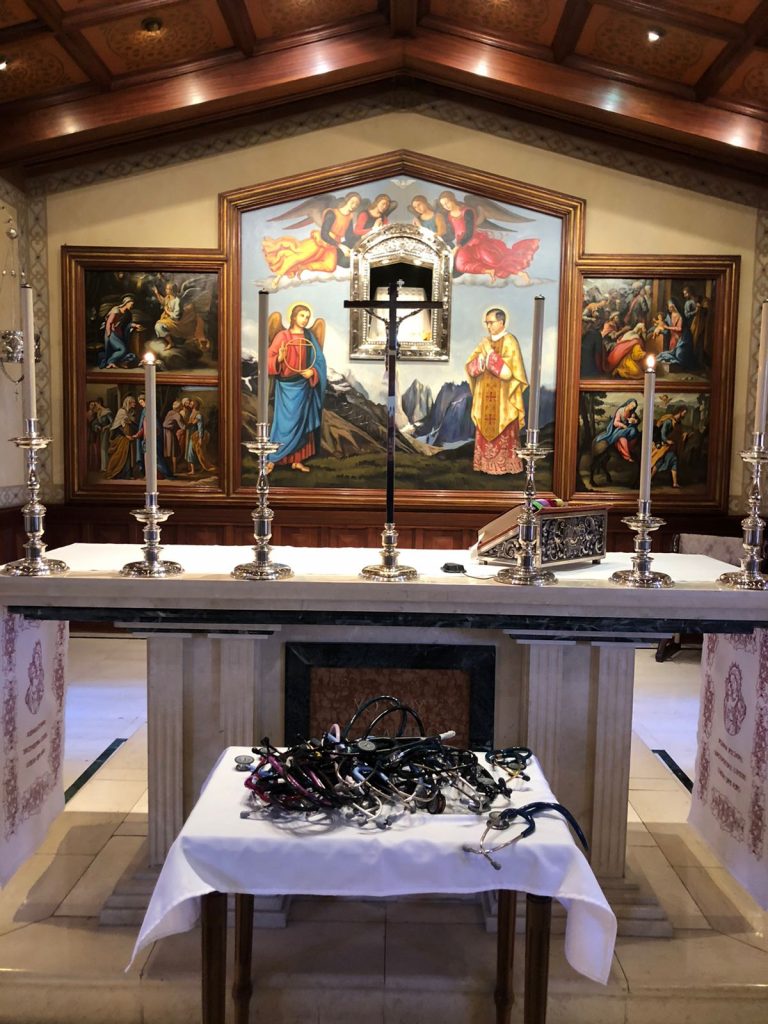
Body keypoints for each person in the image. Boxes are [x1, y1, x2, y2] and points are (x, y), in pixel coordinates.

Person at [465, 307, 528, 475]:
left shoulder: (510, 341)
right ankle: (484, 466)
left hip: (504, 402)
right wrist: (480, 361)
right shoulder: (484, 342)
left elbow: (508, 373)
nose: (488, 326)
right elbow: (470, 368)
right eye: (486, 323)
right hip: (484, 399)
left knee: (504, 430)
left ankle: (506, 467)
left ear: (501, 322)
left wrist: (490, 354)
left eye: (491, 322)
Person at [267, 303, 327, 472]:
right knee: (283, 425)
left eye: (307, 317)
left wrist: (313, 371)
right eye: (302, 316)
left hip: (304, 386)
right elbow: (268, 359)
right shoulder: (282, 336)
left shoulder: (309, 336)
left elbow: (320, 360)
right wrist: (279, 358)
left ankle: (297, 460)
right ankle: (272, 459)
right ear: (293, 317)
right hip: (286, 386)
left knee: (302, 422)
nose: (305, 320)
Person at [438, 191, 539, 283]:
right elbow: (453, 232)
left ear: (453, 199)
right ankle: (488, 271)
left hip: (474, 241)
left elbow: (469, 232)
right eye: (443, 205)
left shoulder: (467, 211)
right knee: (461, 265)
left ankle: (519, 272)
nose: (446, 206)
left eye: (447, 203)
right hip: (462, 246)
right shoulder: (449, 215)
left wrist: (457, 247)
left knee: (493, 260)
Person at [262, 193, 361, 282]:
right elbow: (324, 234)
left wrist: (362, 237)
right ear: (347, 200)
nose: (354, 206)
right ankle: (278, 277)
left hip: (332, 246)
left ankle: (303, 267)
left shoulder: (350, 217)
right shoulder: (332, 213)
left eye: (356, 205)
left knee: (330, 267)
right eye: (352, 202)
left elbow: (349, 236)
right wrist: (341, 246)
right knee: (298, 256)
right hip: (321, 242)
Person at [651, 404, 688, 488]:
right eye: (684, 413)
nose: (685, 415)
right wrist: (667, 441)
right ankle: (649, 479)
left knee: (673, 460)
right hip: (665, 446)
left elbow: (678, 435)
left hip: (672, 447)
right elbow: (663, 433)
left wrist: (684, 435)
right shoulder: (669, 421)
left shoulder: (678, 423)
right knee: (659, 461)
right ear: (680, 412)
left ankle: (675, 483)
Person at [594, 398, 640, 463]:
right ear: (628, 403)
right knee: (622, 439)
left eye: (634, 407)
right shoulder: (620, 411)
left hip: (629, 429)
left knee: (634, 431)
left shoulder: (632, 413)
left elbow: (637, 420)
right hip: (620, 429)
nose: (632, 407)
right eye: (632, 405)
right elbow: (615, 423)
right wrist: (623, 425)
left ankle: (630, 448)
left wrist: (634, 421)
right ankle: (627, 457)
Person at [98, 296, 139, 368]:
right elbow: (109, 323)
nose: (132, 306)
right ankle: (110, 361)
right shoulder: (116, 310)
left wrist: (134, 325)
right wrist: (109, 335)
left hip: (118, 334)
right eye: (131, 304)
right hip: (112, 333)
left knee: (125, 351)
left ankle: (113, 362)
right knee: (122, 350)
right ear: (126, 303)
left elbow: (126, 324)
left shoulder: (127, 313)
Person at [656, 297, 697, 371]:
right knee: (669, 353)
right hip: (674, 337)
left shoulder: (679, 316)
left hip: (683, 339)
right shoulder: (670, 315)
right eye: (669, 306)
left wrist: (667, 327)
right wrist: (660, 327)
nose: (670, 308)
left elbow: (679, 329)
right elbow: (665, 323)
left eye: (671, 306)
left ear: (674, 306)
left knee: (679, 355)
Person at [105, 395, 138, 479]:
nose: (135, 404)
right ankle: (114, 473)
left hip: (129, 437)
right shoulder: (122, 411)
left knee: (128, 456)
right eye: (133, 402)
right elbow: (117, 427)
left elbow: (133, 425)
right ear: (128, 402)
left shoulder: (131, 412)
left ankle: (127, 474)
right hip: (121, 437)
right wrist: (126, 436)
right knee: (119, 455)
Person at [184, 398, 215, 475]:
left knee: (195, 452)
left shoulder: (198, 415)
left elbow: (200, 427)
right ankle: (193, 469)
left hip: (196, 436)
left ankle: (195, 470)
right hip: (191, 435)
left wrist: (200, 438)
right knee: (191, 452)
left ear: (195, 405)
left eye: (191, 403)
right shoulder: (192, 413)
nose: (189, 404)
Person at [163, 399, 187, 476]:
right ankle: (174, 470)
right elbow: (183, 426)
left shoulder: (170, 412)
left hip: (165, 432)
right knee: (174, 451)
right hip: (170, 433)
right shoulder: (177, 415)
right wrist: (189, 425)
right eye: (181, 406)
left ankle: (169, 469)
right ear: (179, 407)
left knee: (168, 450)